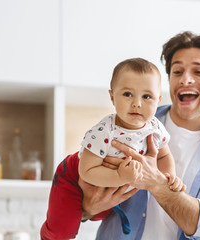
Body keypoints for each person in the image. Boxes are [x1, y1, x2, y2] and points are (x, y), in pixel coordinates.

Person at [79, 31, 200, 240]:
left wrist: (156, 183)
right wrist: (86, 209)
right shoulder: (123, 124)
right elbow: (82, 192)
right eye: (177, 71)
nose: (185, 79)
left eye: (198, 71)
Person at [40, 58, 185, 239]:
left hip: (108, 184)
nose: (137, 103)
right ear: (112, 97)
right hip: (73, 175)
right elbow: (86, 171)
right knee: (63, 230)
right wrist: (120, 176)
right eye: (127, 94)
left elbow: (163, 156)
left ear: (158, 100)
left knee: (103, 213)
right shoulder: (103, 131)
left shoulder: (155, 128)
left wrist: (169, 178)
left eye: (146, 96)